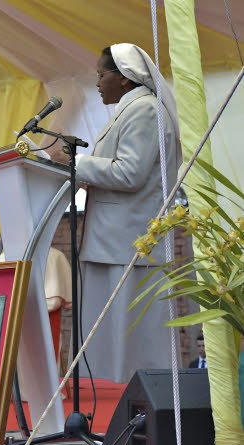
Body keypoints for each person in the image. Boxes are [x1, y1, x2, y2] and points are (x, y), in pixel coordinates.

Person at [53, 43, 181, 383]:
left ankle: (126, 406)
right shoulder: (131, 109)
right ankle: (116, 402)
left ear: (124, 78)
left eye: (101, 74)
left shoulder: (144, 110)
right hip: (115, 242)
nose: (97, 82)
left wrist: (77, 164)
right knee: (112, 340)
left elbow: (130, 173)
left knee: (129, 341)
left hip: (127, 244)